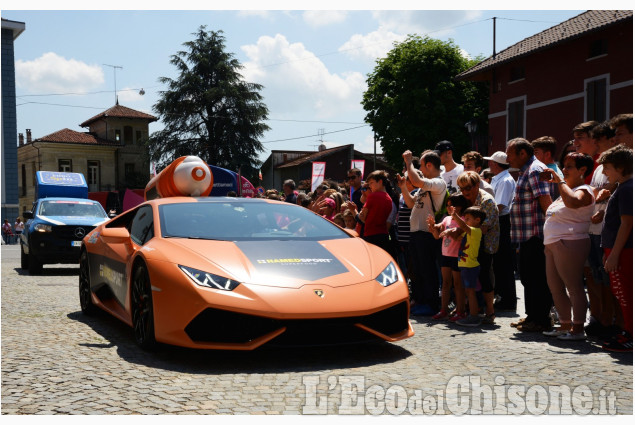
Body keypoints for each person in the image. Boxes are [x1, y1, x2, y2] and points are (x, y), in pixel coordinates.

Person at [541, 153, 595, 341]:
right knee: (555, 286)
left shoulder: (584, 189)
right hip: (553, 244)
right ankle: (565, 324)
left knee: (573, 286)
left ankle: (578, 328)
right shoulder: (565, 190)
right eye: (564, 166)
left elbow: (573, 202)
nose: (564, 170)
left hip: (570, 242)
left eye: (569, 166)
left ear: (582, 170)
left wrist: (559, 181)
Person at [506, 138, 553, 332]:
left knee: (537, 279)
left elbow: (546, 202)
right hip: (526, 236)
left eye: (510, 154)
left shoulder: (535, 169)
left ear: (522, 153)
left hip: (536, 235)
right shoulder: (527, 170)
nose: (508, 159)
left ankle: (541, 320)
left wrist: (550, 234)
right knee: (527, 278)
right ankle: (532, 316)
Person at [397, 150, 447, 316]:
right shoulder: (425, 185)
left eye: (421, 167)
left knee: (427, 271)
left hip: (427, 234)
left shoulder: (438, 183)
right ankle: (420, 301)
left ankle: (431, 304)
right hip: (416, 234)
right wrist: (404, 187)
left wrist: (408, 162)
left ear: (429, 165)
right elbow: (411, 204)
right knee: (417, 271)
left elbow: (417, 180)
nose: (419, 170)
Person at [584, 121, 621, 340]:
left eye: (598, 140)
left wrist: (603, 210)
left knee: (609, 282)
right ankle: (601, 318)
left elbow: (614, 194)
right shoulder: (599, 166)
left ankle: (612, 321)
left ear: (611, 140)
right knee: (596, 279)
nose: (595, 144)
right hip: (594, 229)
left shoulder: (618, 165)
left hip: (607, 230)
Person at [598, 145, 633, 352]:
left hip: (625, 251)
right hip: (617, 250)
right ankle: (628, 331)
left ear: (620, 167)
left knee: (626, 293)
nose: (604, 172)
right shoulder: (623, 187)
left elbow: (627, 224)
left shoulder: (628, 189)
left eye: (607, 167)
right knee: (622, 294)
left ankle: (630, 335)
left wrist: (615, 255)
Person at [454, 171, 499, 324]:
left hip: (485, 246)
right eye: (461, 188)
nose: (464, 192)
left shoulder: (487, 201)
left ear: (477, 185)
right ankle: (475, 309)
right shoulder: (465, 199)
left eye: (468, 188)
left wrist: (459, 229)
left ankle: (490, 313)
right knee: (472, 281)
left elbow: (482, 229)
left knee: (485, 278)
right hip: (469, 246)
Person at [427, 193, 470, 322]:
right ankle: (443, 310)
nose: (449, 207)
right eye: (448, 205)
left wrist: (449, 232)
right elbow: (437, 236)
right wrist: (433, 227)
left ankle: (460, 310)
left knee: (458, 284)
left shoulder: (463, 220)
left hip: (457, 255)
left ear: (460, 206)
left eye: (452, 205)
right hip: (445, 254)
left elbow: (458, 235)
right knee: (445, 283)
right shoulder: (446, 219)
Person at [485, 151, 517, 311]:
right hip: (498, 220)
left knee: (503, 262)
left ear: (496, 164)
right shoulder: (501, 178)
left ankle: (507, 299)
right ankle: (503, 296)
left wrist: (486, 219)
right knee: (499, 262)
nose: (489, 164)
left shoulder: (504, 180)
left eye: (491, 162)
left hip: (501, 221)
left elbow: (500, 205)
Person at [444, 206, 487, 327]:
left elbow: (463, 226)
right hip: (465, 265)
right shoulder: (468, 232)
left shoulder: (475, 231)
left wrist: (455, 216)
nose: (465, 220)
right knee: (469, 291)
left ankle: (474, 317)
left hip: (470, 266)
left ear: (477, 220)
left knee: (470, 291)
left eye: (467, 218)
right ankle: (472, 313)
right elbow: (457, 237)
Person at [358, 170, 395, 256]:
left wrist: (361, 215)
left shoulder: (372, 196)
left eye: (371, 183)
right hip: (384, 235)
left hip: (370, 235)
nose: (369, 186)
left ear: (380, 182)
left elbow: (362, 217)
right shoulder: (389, 198)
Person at [532, 136, 564, 201]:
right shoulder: (555, 169)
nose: (533, 156)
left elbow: (545, 200)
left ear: (547, 154)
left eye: (536, 153)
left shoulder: (545, 172)